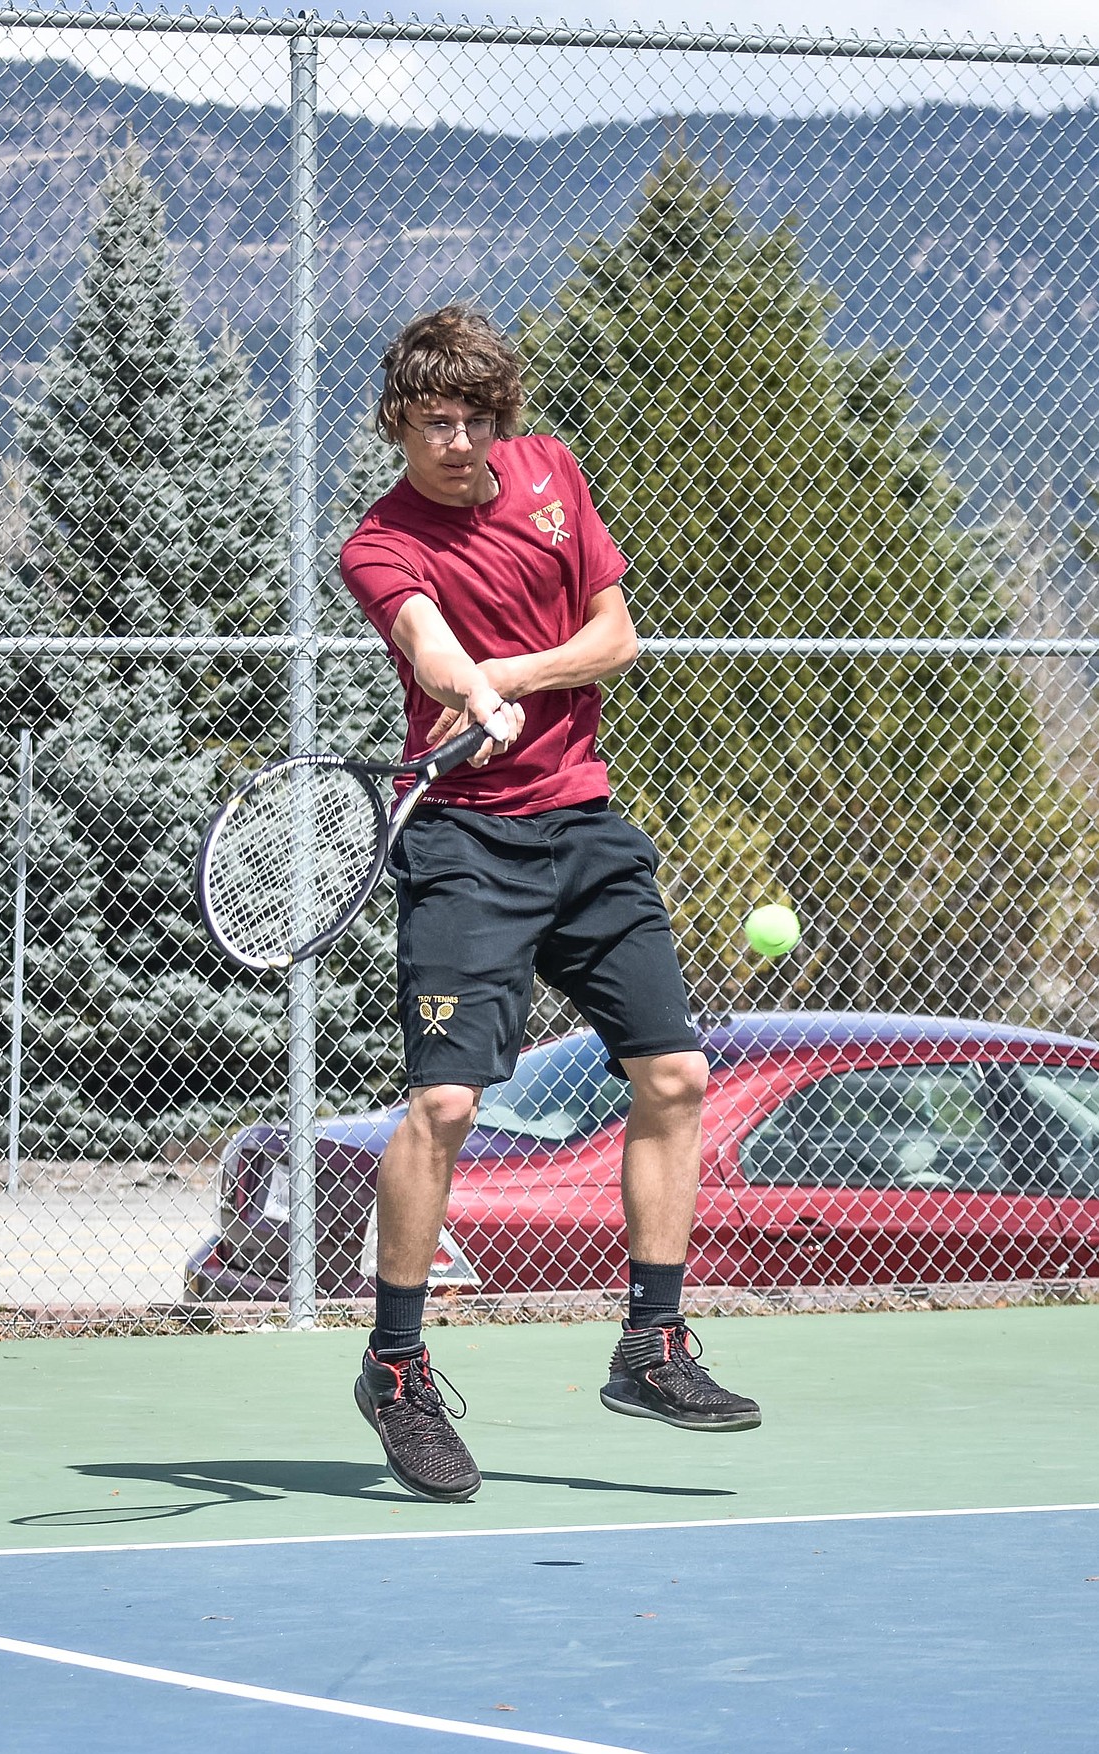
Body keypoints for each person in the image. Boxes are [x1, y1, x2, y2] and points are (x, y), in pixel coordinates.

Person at [340, 304, 761, 1503]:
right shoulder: (380, 541)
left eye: (476, 420)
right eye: (435, 423)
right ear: (399, 423)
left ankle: (652, 1344)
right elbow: (425, 643)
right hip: (467, 843)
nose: (460, 443)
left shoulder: (552, 472)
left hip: (585, 824)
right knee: (447, 1099)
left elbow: (614, 635)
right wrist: (464, 683)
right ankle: (398, 1367)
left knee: (675, 1074)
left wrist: (513, 677)